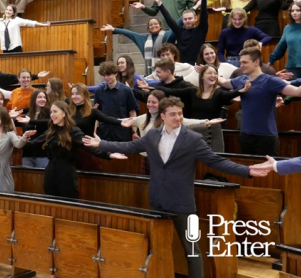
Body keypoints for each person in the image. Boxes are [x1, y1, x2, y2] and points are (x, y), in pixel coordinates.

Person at [83, 96, 269, 278]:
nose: (178, 118)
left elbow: (217, 161)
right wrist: (102, 144)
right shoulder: (152, 135)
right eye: (173, 114)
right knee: (158, 249)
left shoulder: (193, 139)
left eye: (180, 114)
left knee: (192, 250)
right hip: (157, 201)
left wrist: (248, 170)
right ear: (163, 116)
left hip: (184, 204)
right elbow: (129, 147)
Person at [34, 101, 126, 198]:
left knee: (69, 200)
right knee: (50, 201)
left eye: (55, 111)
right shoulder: (50, 131)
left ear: (64, 113)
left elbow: (88, 146)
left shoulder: (73, 131)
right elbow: (34, 143)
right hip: (50, 172)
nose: (52, 115)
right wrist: (23, 139)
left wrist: (108, 154)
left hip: (66, 172)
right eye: (51, 112)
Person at [218, 48, 301, 156]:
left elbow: (297, 92)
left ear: (256, 62)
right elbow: (223, 82)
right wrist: (207, 72)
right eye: (241, 62)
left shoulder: (271, 81)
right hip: (245, 136)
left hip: (266, 137)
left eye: (245, 62)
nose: (241, 65)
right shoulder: (241, 80)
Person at [132, 90, 222, 173]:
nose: (150, 104)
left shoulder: (168, 118)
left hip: (161, 158)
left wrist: (206, 122)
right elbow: (128, 121)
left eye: (154, 102)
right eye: (148, 102)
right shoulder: (142, 118)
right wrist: (127, 126)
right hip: (146, 158)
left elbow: (188, 122)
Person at [189, 65, 247, 152]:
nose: (213, 75)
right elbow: (174, 91)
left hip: (212, 132)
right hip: (195, 130)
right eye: (209, 73)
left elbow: (230, 94)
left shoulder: (218, 93)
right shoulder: (192, 91)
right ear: (202, 76)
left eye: (215, 73)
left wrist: (242, 90)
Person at [153, 0, 209, 64]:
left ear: (195, 18)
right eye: (185, 19)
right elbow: (169, 19)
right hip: (184, 66)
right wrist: (159, 4)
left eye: (190, 18)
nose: (188, 21)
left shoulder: (201, 29)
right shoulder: (180, 31)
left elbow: (204, 15)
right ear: (182, 20)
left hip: (199, 66)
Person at [100, 18, 174, 74]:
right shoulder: (144, 39)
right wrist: (113, 29)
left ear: (160, 26)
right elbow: (130, 34)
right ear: (148, 28)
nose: (153, 26)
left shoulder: (166, 36)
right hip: (150, 73)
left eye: (156, 24)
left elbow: (176, 26)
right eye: (151, 25)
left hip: (167, 71)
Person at [93, 61, 139, 142]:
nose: (106, 78)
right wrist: (94, 132)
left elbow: (132, 112)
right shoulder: (99, 91)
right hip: (105, 132)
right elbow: (96, 113)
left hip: (122, 131)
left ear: (115, 73)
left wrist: (134, 132)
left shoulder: (126, 90)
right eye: (104, 75)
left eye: (108, 75)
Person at [17, 89, 49, 168]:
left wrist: (31, 121)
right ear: (34, 99)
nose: (42, 99)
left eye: (44, 97)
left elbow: (49, 122)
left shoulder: (49, 113)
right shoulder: (27, 115)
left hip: (42, 153)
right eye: (39, 97)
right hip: (27, 153)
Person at [269, 2, 301, 79]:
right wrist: (271, 60)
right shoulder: (288, 28)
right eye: (292, 11)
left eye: (298, 10)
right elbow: (281, 46)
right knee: (291, 86)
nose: (294, 13)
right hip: (292, 67)